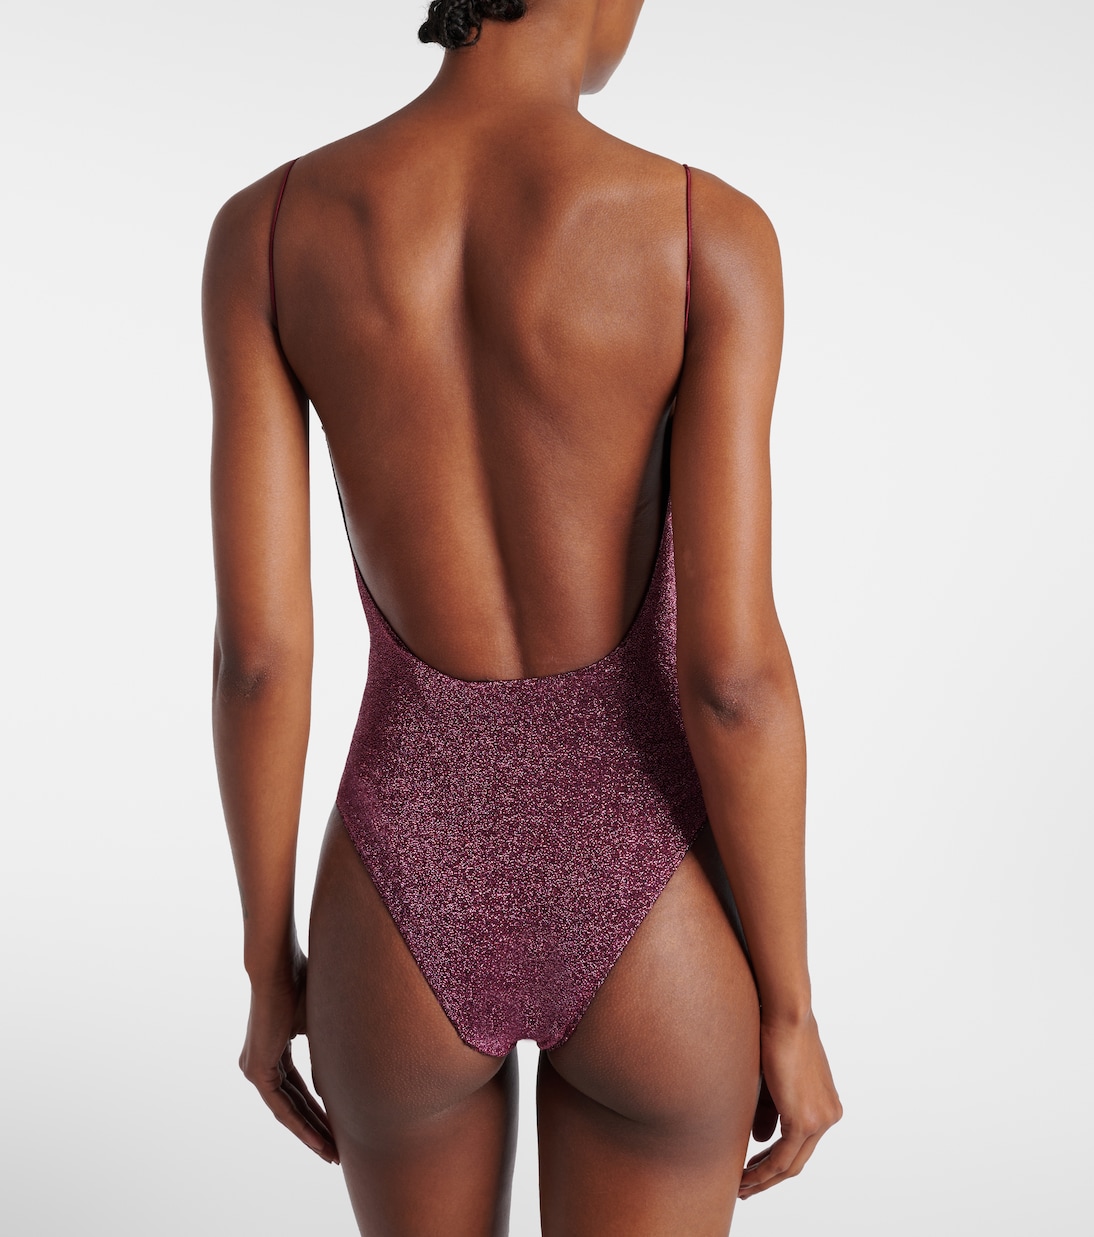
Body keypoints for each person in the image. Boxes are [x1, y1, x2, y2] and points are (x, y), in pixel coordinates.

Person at [204, 0, 841, 1231]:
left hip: (398, 880)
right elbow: (732, 679)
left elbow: (259, 660)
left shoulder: (269, 232)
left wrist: (266, 966)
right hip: (649, 886)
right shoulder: (704, 235)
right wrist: (789, 1009)